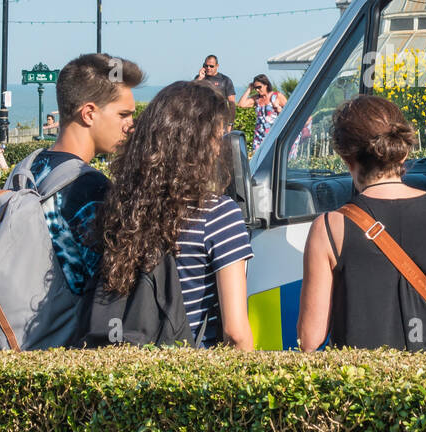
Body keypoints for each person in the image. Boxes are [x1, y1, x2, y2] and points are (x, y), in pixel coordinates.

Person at [298, 95, 426, 352]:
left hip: (364, 385)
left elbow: (310, 339)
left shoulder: (329, 228)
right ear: (402, 153)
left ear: (347, 158)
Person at [98, 81, 254, 349]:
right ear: (199, 145)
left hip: (129, 369)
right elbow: (236, 331)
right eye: (216, 139)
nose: (219, 149)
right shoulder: (219, 215)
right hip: (190, 376)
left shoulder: (123, 207)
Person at [23, 52, 144, 297]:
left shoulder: (29, 168)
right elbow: (115, 285)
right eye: (123, 114)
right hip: (70, 331)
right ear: (88, 113)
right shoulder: (90, 188)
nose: (131, 124)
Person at [236, 73, 287, 150]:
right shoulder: (256, 99)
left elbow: (289, 112)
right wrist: (249, 89)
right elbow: (241, 104)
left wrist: (279, 109)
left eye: (259, 87)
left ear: (266, 85)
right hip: (259, 136)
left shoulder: (276, 96)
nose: (257, 90)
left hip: (273, 135)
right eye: (255, 88)